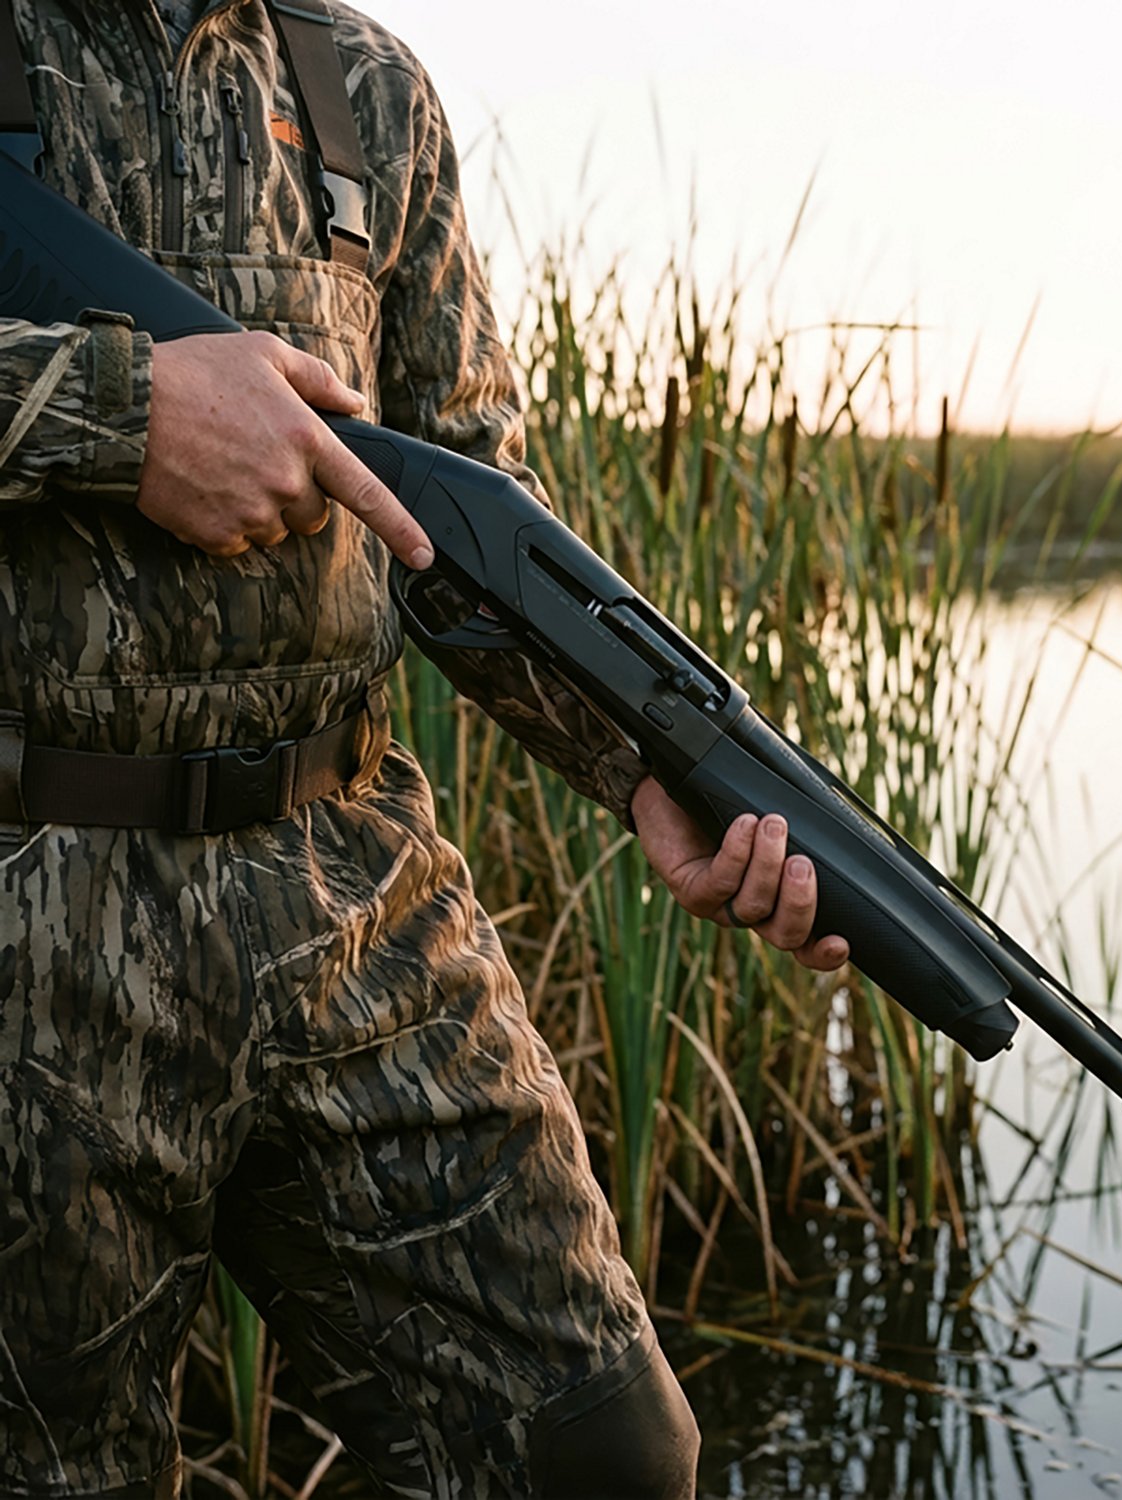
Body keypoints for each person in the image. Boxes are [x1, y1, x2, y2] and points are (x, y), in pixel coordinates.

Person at [0, 2, 848, 1495]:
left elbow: (467, 513)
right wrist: (123, 418)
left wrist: (653, 773)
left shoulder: (362, 84)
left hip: (349, 888)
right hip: (25, 916)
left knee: (604, 1452)